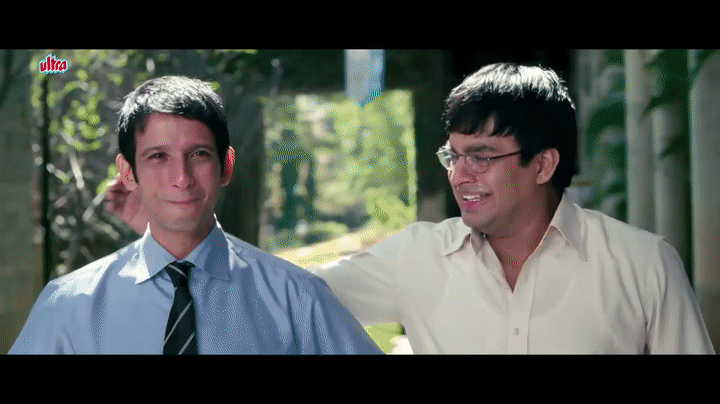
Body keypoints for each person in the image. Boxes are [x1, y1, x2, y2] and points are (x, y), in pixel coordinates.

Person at [105, 64, 715, 354]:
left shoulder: (643, 266)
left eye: (482, 157)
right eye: (454, 155)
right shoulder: (419, 257)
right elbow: (279, 295)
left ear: (543, 164)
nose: (460, 175)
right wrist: (170, 231)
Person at [10, 75, 382, 354]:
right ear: (127, 172)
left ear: (226, 165)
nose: (182, 177)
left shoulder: (297, 299)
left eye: (199, 154)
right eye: (158, 156)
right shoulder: (68, 305)